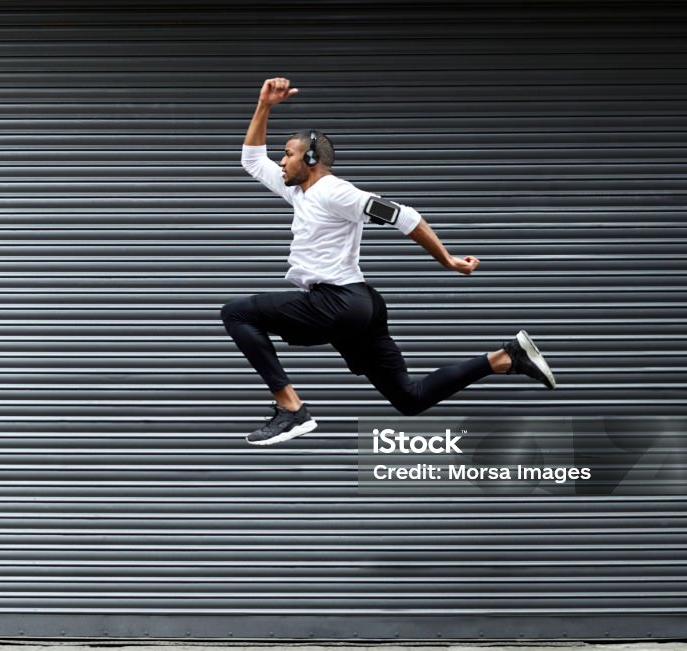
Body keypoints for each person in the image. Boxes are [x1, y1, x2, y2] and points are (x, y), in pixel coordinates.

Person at [222, 77, 556, 446]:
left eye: (287, 153)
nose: (281, 160)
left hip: (337, 303)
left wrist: (447, 260)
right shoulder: (299, 191)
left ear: (312, 159)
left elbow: (404, 215)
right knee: (409, 399)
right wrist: (264, 105)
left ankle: (291, 410)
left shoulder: (336, 192)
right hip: (358, 307)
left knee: (238, 313)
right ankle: (504, 358)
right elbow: (251, 159)